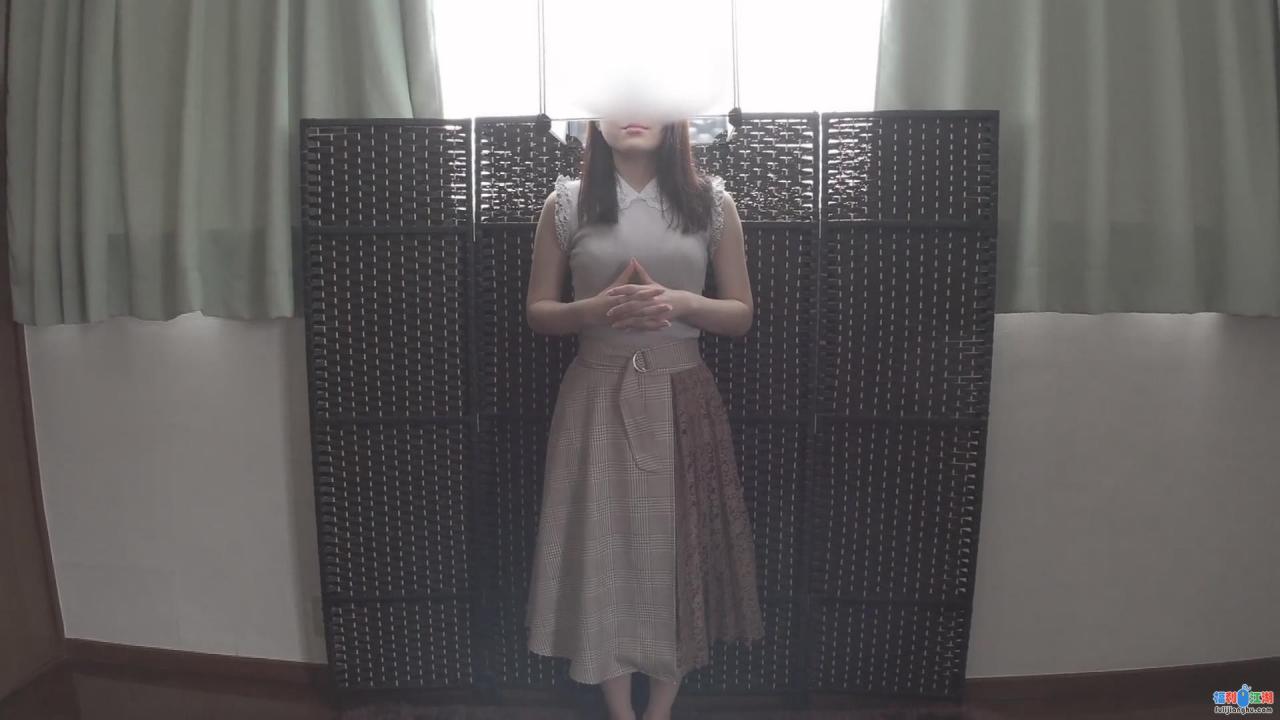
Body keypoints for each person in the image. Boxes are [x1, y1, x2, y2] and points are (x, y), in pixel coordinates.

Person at [524, 117, 766, 720]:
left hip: (683, 394)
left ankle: (659, 710)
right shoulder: (566, 204)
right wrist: (595, 310)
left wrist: (679, 303)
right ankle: (618, 709)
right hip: (594, 396)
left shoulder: (713, 204)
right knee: (602, 549)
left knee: (675, 552)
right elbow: (539, 312)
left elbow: (740, 314)